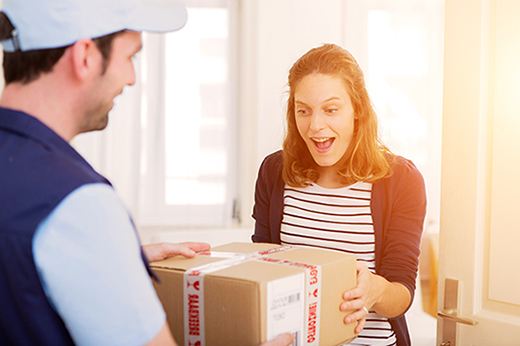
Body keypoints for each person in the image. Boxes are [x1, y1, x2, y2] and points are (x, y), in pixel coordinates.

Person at [0, 1, 292, 345]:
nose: (131, 78)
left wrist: (114, 259)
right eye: (130, 57)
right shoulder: (79, 205)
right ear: (85, 57)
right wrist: (101, 245)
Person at [252, 43, 427, 346]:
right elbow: (262, 269)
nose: (315, 126)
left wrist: (377, 290)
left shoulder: (401, 180)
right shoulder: (274, 171)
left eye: (331, 110)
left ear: (357, 110)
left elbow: (402, 293)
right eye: (303, 110)